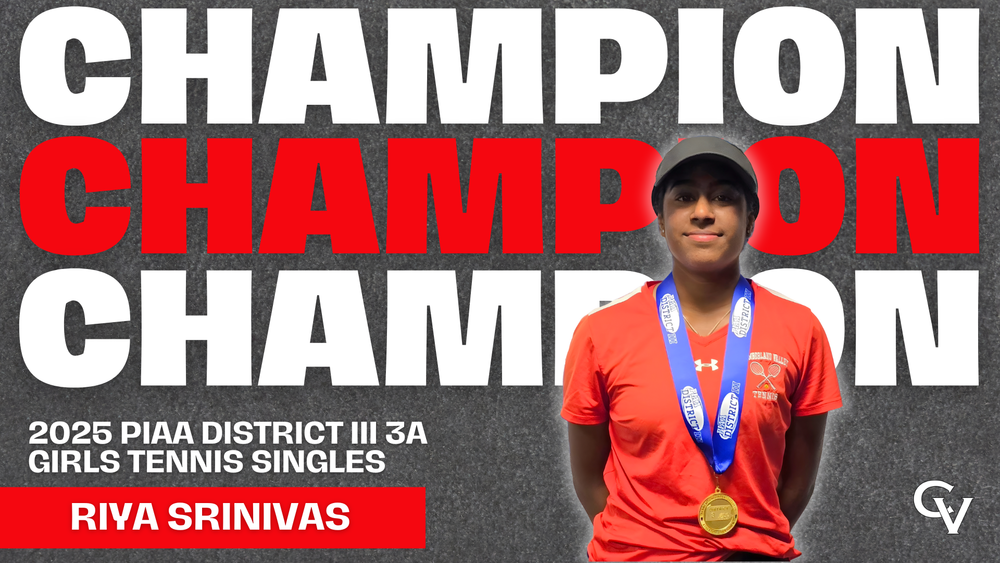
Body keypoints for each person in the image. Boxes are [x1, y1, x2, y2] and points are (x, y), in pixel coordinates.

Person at [562, 137, 842, 561]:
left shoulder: (799, 328)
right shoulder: (601, 332)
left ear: (750, 220)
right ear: (661, 220)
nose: (703, 211)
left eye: (725, 197)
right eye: (685, 196)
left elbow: (797, 484)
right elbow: (588, 477)